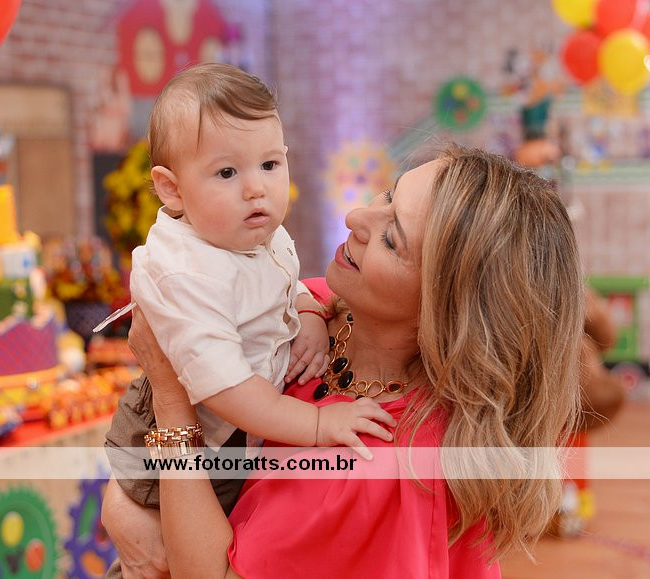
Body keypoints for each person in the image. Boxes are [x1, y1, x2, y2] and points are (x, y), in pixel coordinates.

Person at [103, 144, 585, 577]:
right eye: (388, 195)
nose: (356, 216)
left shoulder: (383, 463)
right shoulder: (327, 312)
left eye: (391, 239)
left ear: (448, 312)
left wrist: (170, 400)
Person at [107, 62, 393, 526]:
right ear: (172, 189)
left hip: (236, 421)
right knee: (169, 541)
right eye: (226, 172)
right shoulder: (187, 274)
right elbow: (229, 391)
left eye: (269, 164)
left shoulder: (250, 232)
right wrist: (320, 425)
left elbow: (279, 282)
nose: (256, 188)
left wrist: (308, 310)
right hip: (180, 435)